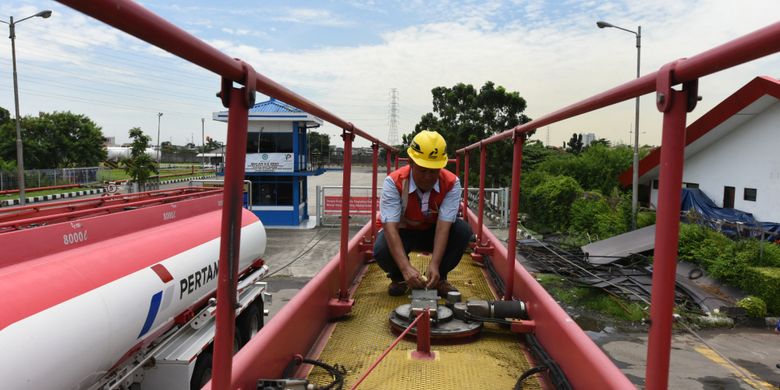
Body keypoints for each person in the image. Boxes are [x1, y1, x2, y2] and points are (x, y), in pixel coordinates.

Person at [374, 130, 473, 297]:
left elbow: (444, 227)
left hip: (433, 232)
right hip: (403, 232)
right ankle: (400, 279)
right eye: (422, 170)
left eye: (433, 171)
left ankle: (439, 278)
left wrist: (434, 264)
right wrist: (406, 268)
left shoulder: (451, 183)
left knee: (462, 231)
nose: (427, 177)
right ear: (411, 162)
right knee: (381, 247)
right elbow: (390, 228)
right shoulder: (394, 182)